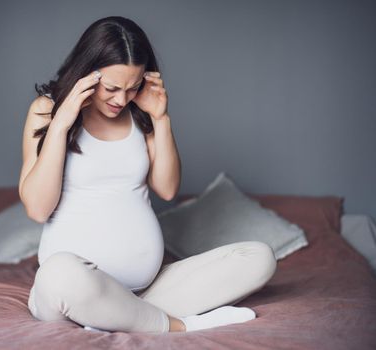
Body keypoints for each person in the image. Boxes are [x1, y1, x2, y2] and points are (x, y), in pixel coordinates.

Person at [18, 16, 277, 333]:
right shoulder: (46, 110)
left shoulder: (141, 112)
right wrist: (61, 123)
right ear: (86, 74)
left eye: (132, 87)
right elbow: (37, 208)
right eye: (111, 87)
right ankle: (177, 326)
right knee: (59, 272)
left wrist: (160, 117)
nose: (120, 100)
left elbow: (167, 189)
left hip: (149, 291)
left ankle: (114, 318)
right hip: (71, 292)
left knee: (258, 257)